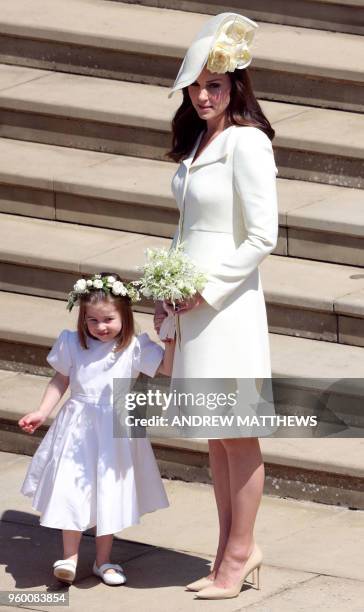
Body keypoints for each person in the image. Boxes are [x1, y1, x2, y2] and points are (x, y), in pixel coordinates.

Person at [154, 12, 279, 600]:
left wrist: (205, 288)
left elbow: (262, 236)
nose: (203, 96)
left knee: (239, 435)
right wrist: (169, 295)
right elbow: (189, 230)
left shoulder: (246, 143)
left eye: (216, 86)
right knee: (215, 437)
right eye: (197, 86)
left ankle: (239, 555)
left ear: (236, 88)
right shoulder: (201, 140)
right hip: (193, 308)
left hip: (228, 309)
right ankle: (230, 548)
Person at [19, 272, 174, 586]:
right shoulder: (73, 343)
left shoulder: (134, 346)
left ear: (125, 315)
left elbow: (167, 369)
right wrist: (42, 410)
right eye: (92, 320)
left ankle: (104, 561)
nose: (101, 327)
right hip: (77, 427)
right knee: (71, 488)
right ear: (82, 318)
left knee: (108, 491)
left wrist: (170, 333)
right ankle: (70, 557)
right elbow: (61, 379)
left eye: (108, 319)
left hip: (115, 431)